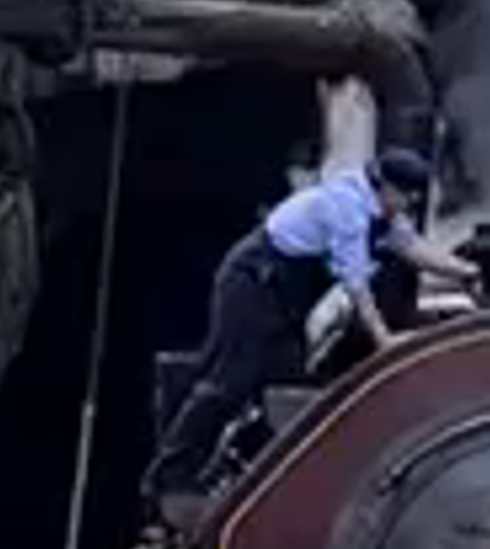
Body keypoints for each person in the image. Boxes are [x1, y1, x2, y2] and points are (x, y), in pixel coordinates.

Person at [150, 140, 434, 498]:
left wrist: (467, 272)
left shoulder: (382, 214)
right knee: (232, 377)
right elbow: (356, 282)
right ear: (386, 187)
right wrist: (383, 338)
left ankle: (250, 480)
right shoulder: (348, 207)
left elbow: (412, 248)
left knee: (289, 384)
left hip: (285, 297)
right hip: (253, 282)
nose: (410, 204)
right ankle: (171, 473)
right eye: (407, 196)